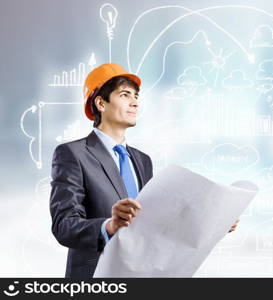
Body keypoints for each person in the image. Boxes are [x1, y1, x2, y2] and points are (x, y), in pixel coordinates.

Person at [49, 63, 238, 278]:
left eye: (136, 96)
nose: (135, 102)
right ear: (100, 103)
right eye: (125, 94)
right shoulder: (73, 154)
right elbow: (64, 225)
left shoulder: (142, 161)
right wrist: (109, 226)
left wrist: (212, 223)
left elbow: (154, 223)